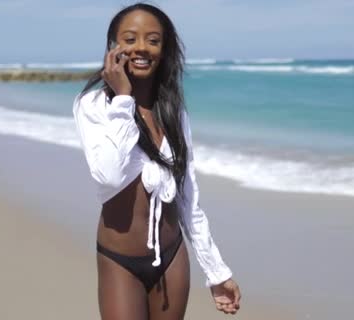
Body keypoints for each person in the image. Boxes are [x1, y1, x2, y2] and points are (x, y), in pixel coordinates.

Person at [72, 3, 241, 319]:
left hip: (172, 257)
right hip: (118, 258)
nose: (141, 47)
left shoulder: (173, 112)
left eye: (153, 40)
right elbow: (108, 175)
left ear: (164, 50)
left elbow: (188, 197)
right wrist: (123, 98)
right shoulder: (94, 105)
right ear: (113, 47)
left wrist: (217, 272)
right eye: (130, 38)